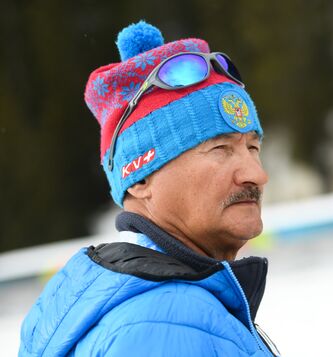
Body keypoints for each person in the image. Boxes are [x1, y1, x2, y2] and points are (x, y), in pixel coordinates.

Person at [19, 21, 279, 356]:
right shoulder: (162, 325)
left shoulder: (159, 307)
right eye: (220, 149)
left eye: (253, 148)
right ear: (141, 179)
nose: (256, 174)